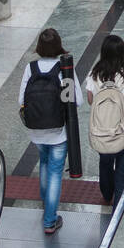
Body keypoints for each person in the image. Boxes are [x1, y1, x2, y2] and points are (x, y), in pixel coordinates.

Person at [18, 29, 83, 234]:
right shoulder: (63, 68)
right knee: (55, 172)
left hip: (36, 131)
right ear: (58, 46)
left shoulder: (31, 68)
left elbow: (21, 101)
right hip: (58, 132)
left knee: (44, 163)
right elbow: (76, 101)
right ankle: (49, 220)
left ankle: (47, 204)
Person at [85, 35, 124, 206]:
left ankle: (106, 193)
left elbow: (90, 101)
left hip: (102, 130)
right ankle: (117, 213)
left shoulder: (94, 75)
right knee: (122, 172)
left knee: (105, 164)